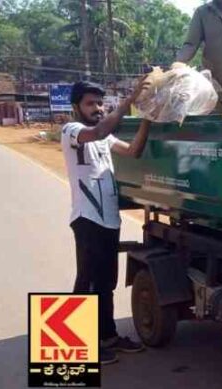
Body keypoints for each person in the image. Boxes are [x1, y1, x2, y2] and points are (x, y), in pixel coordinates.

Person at [61, 79, 152, 365]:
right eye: (90, 104)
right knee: (87, 283)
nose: (97, 108)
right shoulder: (73, 131)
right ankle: (78, 348)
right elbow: (100, 130)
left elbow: (133, 150)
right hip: (87, 219)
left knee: (105, 282)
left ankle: (108, 336)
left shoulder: (104, 139)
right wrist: (130, 99)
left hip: (109, 220)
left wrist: (148, 117)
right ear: (76, 107)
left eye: (100, 103)